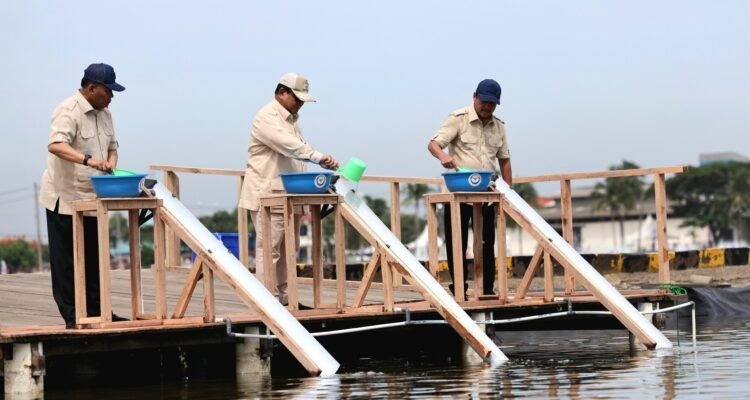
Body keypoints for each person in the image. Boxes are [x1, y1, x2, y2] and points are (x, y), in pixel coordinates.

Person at [39, 63, 129, 328]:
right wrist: (89, 161)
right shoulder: (68, 110)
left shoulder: (106, 114)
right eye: (108, 91)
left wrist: (111, 162)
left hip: (94, 197)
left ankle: (101, 313)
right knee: (66, 262)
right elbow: (56, 145)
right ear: (91, 88)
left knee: (95, 259)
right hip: (65, 197)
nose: (111, 96)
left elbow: (113, 148)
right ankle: (73, 317)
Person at [239, 73, 339, 306]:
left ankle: (284, 298)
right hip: (268, 192)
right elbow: (289, 145)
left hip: (287, 193)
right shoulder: (266, 117)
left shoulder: (291, 119)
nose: (301, 103)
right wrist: (317, 156)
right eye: (297, 98)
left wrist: (318, 159)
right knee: (270, 249)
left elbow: (300, 148)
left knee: (287, 250)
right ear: (282, 93)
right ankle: (267, 301)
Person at [427, 78, 513, 298]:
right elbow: (433, 144)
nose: (487, 107)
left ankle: (486, 289)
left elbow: (504, 160)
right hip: (458, 192)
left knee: (487, 242)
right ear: (475, 96)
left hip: (485, 193)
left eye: (492, 104)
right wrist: (443, 156)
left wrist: (509, 191)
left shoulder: (499, 126)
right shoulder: (458, 119)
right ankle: (459, 289)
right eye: (484, 102)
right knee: (457, 242)